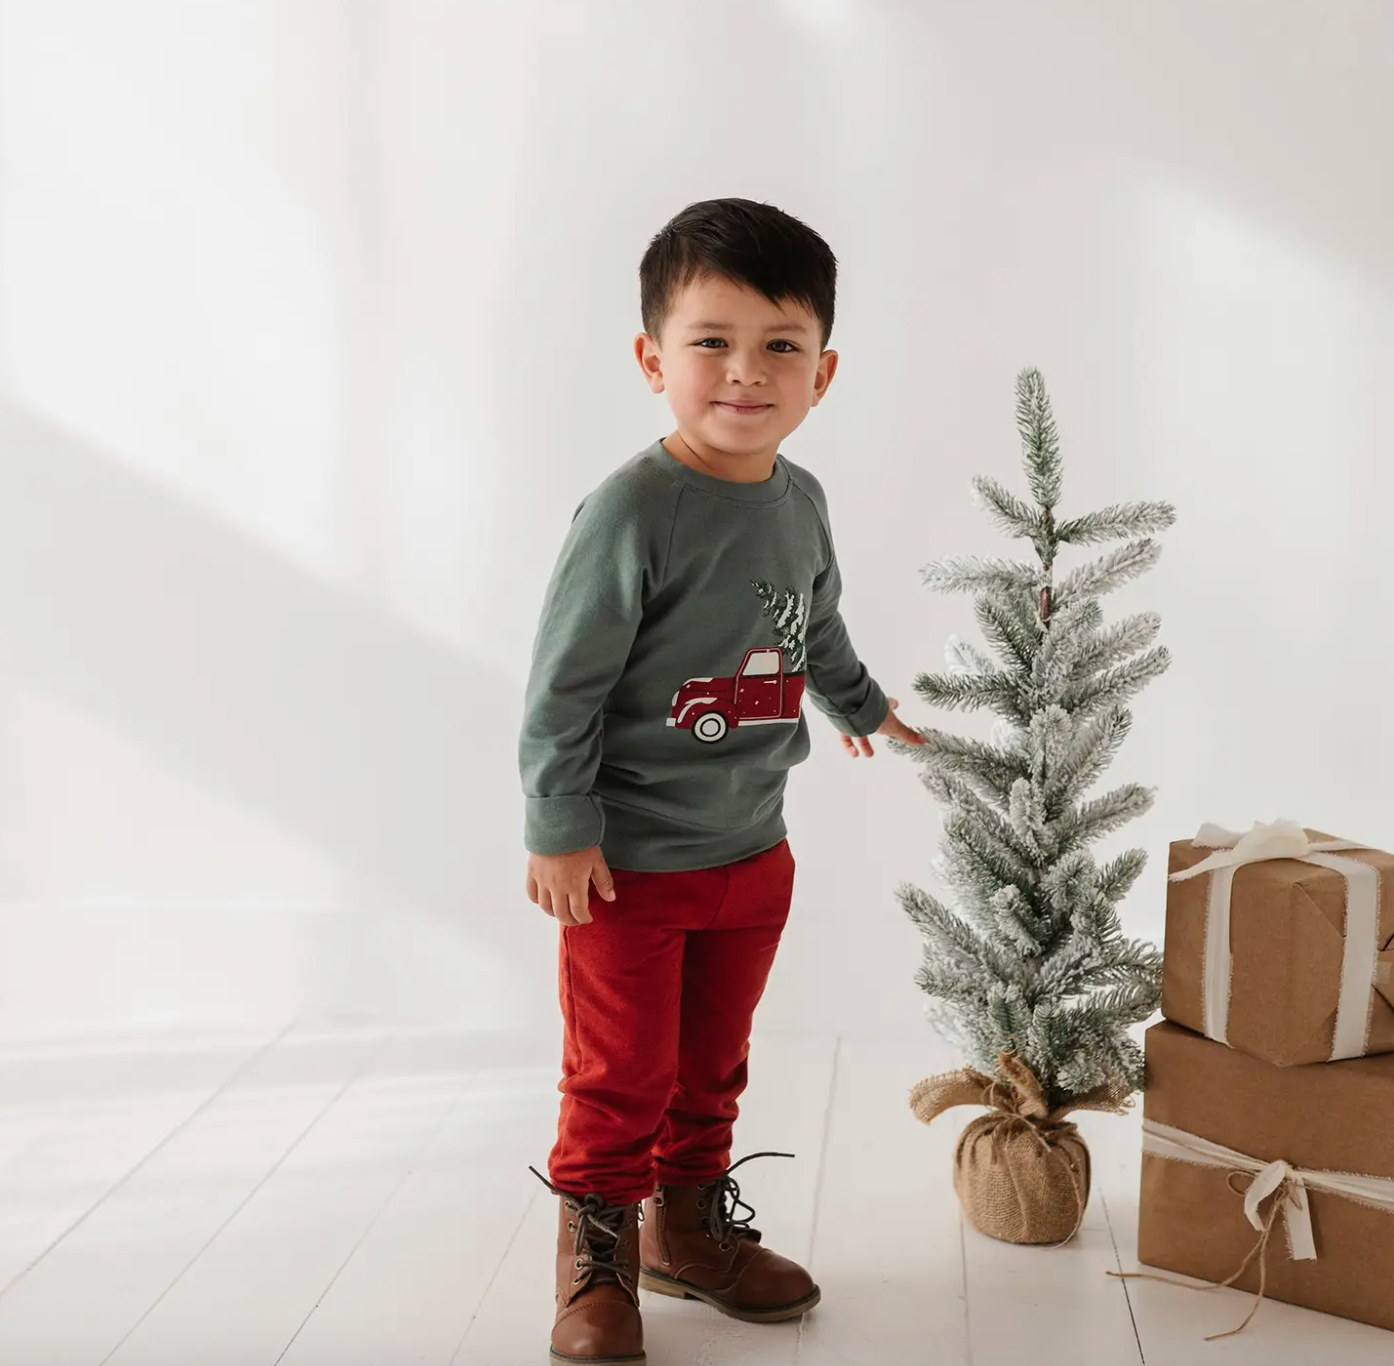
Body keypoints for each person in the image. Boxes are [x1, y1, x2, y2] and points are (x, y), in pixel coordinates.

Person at [518, 197, 925, 1365]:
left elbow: (816, 626)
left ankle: (683, 1228)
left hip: (753, 851)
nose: (745, 373)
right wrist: (559, 822)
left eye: (778, 347)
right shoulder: (635, 510)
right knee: (619, 1073)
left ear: (821, 372)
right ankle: (593, 1258)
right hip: (628, 864)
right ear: (653, 359)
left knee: (711, 1062)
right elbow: (562, 685)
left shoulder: (798, 501)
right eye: (711, 343)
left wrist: (862, 706)